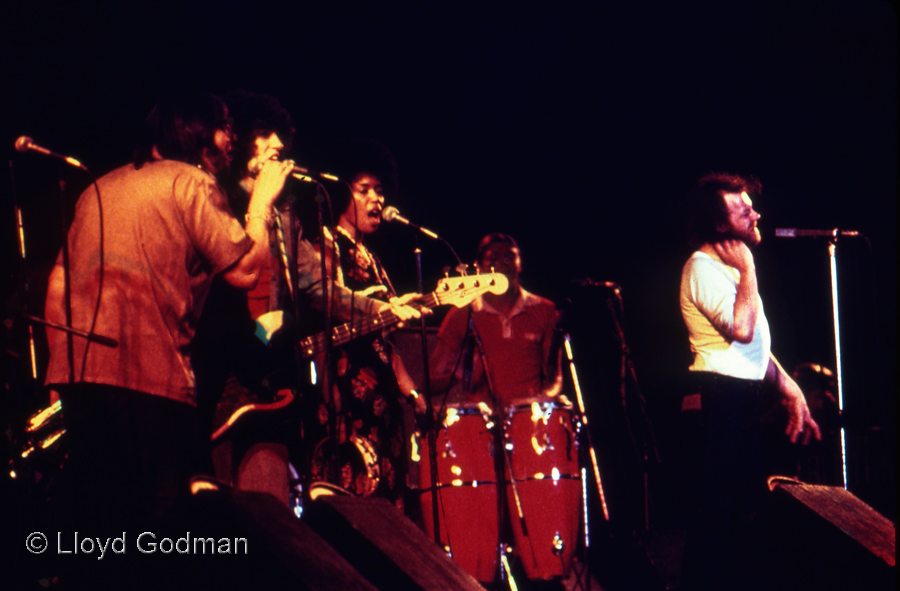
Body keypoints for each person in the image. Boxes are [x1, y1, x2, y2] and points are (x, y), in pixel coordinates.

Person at [191, 93, 422, 506]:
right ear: (237, 140)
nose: (278, 145)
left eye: (281, 137)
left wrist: (383, 308)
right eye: (265, 135)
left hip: (263, 384)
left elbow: (319, 287)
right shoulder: (210, 195)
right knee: (214, 506)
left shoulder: (284, 218)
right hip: (211, 377)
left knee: (267, 509)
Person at [678, 172, 822, 591]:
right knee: (718, 522)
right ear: (721, 225)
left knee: (742, 521)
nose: (756, 213)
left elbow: (754, 348)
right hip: (718, 399)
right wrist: (748, 267)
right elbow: (742, 330)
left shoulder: (728, 267)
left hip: (738, 396)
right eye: (744, 211)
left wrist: (791, 390)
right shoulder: (702, 268)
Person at [307, 139, 420, 507]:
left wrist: (412, 395)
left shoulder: (372, 259)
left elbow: (384, 342)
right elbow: (323, 315)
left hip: (383, 405)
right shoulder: (328, 243)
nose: (377, 200)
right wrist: (330, 396)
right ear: (343, 193)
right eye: (364, 190)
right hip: (346, 402)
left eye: (380, 191)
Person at [430, 232, 563, 409]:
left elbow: (554, 377)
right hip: (483, 428)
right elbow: (429, 383)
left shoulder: (544, 310)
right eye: (494, 257)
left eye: (510, 257)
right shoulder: (461, 314)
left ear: (520, 265)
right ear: (478, 267)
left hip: (530, 421)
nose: (502, 263)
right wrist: (460, 374)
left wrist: (543, 404)